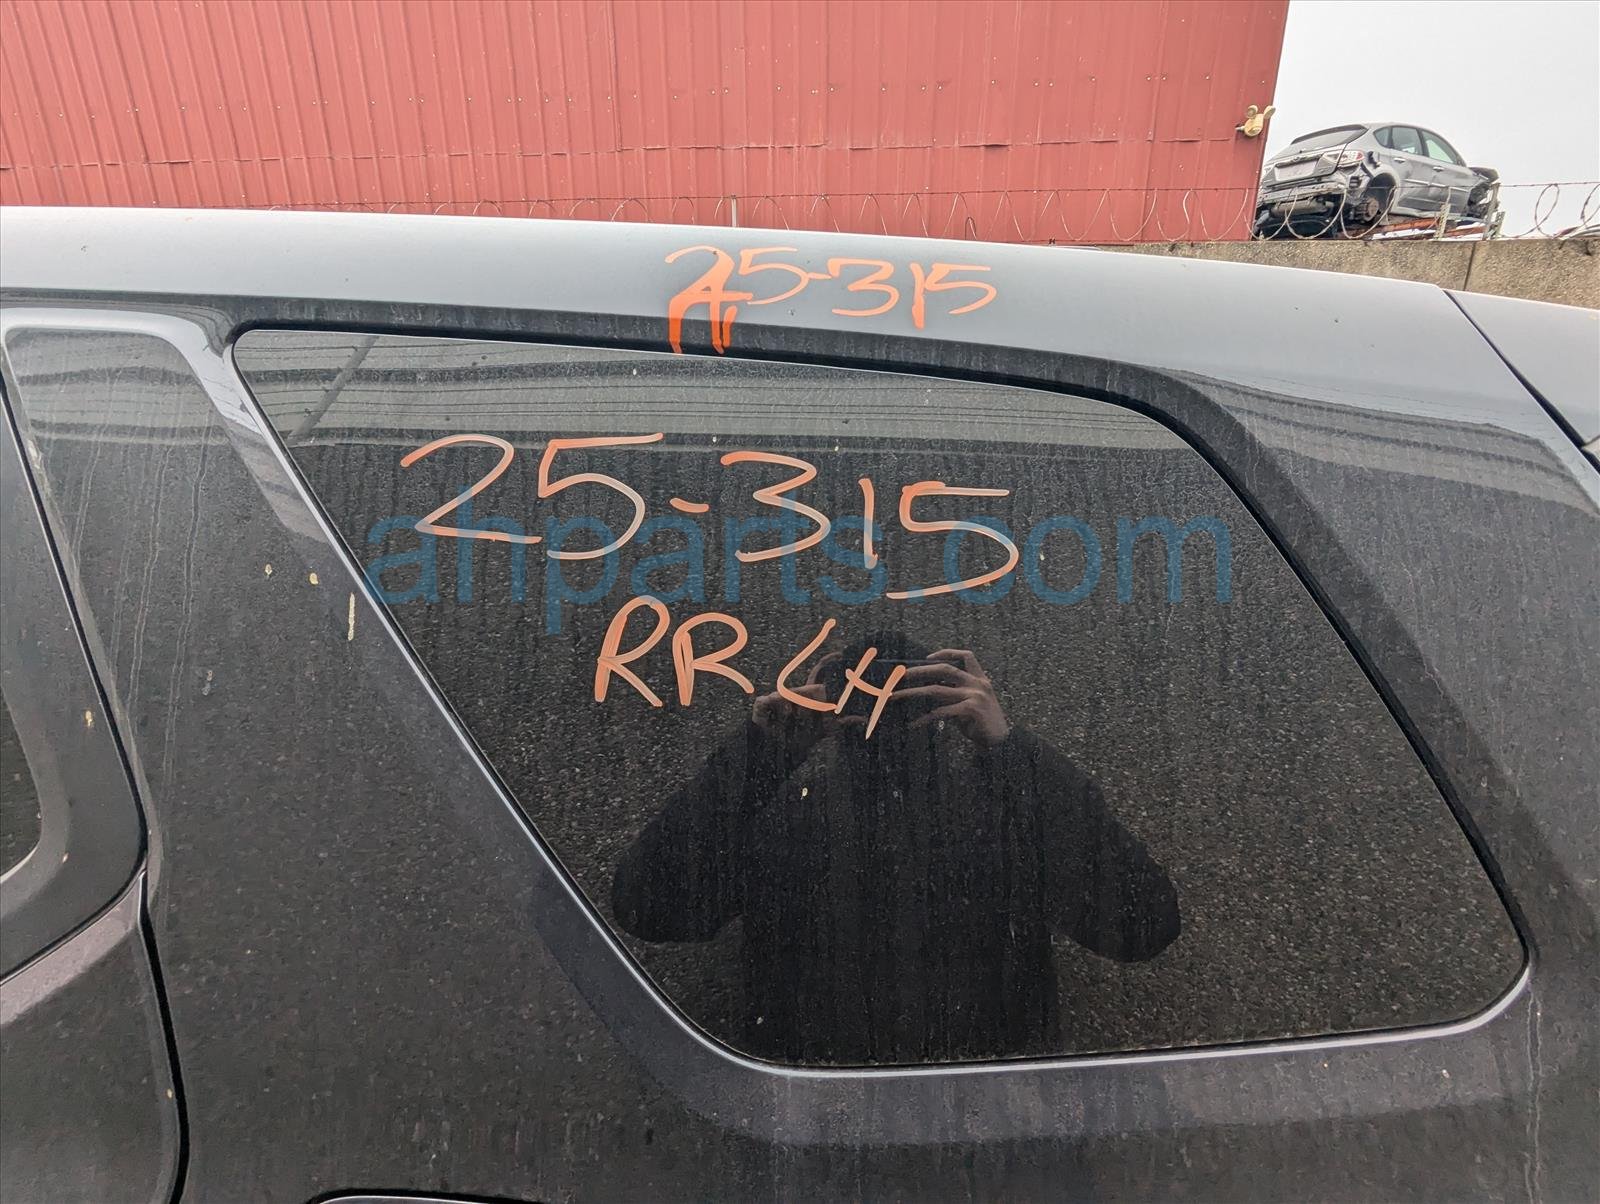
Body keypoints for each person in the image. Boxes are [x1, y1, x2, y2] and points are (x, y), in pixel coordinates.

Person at [611, 631, 1180, 1065]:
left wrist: (1011, 753)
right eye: (866, 696)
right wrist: (759, 754)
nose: (883, 713)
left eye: (901, 695)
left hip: (853, 1116)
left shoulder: (1002, 816)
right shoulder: (788, 819)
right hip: (963, 1113)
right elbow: (649, 906)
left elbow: (1143, 924)